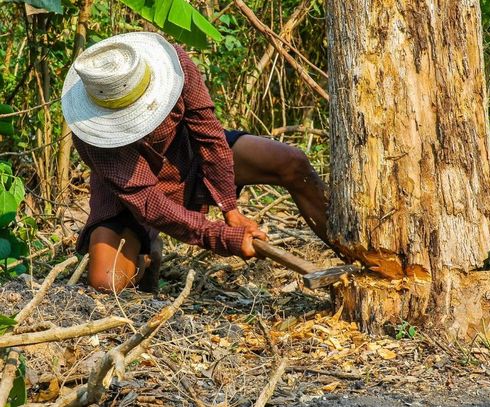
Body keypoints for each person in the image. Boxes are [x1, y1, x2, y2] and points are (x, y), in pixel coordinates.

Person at [62, 32, 330, 293]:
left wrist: (230, 210)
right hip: (132, 197)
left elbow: (211, 137)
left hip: (189, 158)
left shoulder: (176, 66)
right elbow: (147, 202)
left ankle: (354, 251)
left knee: (291, 162)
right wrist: (223, 237)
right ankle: (146, 248)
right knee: (105, 282)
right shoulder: (91, 138)